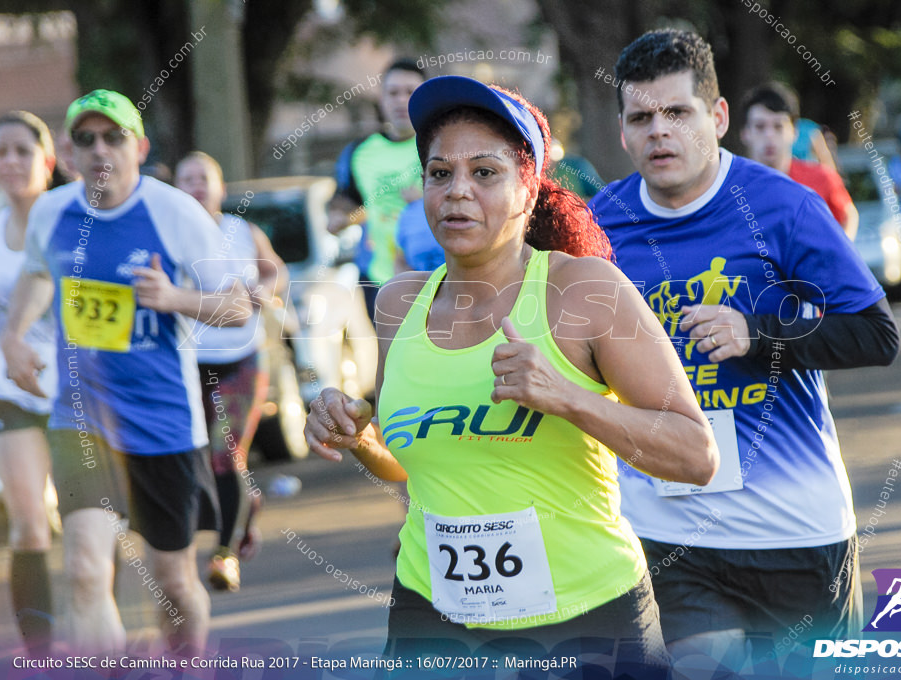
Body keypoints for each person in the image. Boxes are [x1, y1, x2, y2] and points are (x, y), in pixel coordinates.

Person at [305, 75, 719, 676]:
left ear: (528, 189)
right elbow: (411, 461)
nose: (457, 192)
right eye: (440, 173)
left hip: (585, 624)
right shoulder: (398, 304)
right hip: (432, 618)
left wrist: (567, 397)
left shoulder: (585, 291)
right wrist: (358, 435)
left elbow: (695, 455)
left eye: (485, 172)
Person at [590, 29, 900, 673]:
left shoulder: (783, 208)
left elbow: (877, 334)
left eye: (678, 113)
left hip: (793, 528)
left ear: (719, 117)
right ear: (622, 130)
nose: (659, 132)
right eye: (641, 117)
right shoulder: (600, 224)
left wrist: (757, 334)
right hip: (668, 533)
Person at [1, 90, 250, 655]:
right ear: (68, 153)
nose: (99, 150)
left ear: (138, 147)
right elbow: (38, 273)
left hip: (164, 425)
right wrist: (14, 337)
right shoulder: (52, 211)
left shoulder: (174, 214)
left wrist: (174, 298)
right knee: (87, 571)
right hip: (81, 419)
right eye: (85, 140)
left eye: (113, 137)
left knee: (174, 584)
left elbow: (237, 306)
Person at [175, 151, 288, 591]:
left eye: (205, 177)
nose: (197, 185)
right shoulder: (171, 235)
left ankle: (224, 555)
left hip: (241, 358)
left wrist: (265, 287)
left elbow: (274, 269)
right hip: (188, 363)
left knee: (226, 453)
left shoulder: (243, 230)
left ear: (221, 187)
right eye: (188, 178)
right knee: (196, 456)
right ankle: (245, 507)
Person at [0, 111, 64, 657]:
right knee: (29, 528)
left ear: (48, 160)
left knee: (89, 532)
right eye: (0, 152)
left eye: (22, 151)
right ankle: (42, 657)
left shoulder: (71, 219)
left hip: (75, 395)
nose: (10, 162)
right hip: (8, 392)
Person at [328, 59, 425, 322]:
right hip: (379, 278)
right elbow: (346, 201)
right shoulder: (360, 152)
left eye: (410, 92)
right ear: (381, 99)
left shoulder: (439, 144)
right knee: (391, 359)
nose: (400, 100)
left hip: (435, 275)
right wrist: (338, 217)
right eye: (393, 92)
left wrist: (426, 202)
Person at [740, 82, 858, 239]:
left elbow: (848, 215)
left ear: (794, 131)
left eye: (778, 126)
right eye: (760, 126)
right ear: (745, 133)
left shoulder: (821, 177)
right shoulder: (732, 187)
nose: (769, 135)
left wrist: (839, 258)